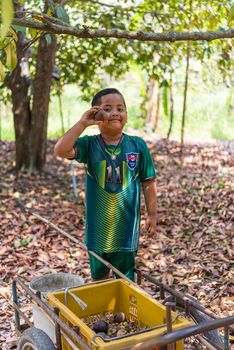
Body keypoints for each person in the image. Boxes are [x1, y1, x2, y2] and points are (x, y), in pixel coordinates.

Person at [54, 88, 157, 281]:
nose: (115, 113)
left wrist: (152, 214)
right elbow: (60, 150)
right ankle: (103, 310)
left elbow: (148, 182)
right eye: (107, 109)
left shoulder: (137, 145)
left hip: (126, 233)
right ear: (96, 114)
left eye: (120, 108)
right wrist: (82, 124)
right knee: (99, 279)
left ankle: (124, 311)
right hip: (97, 233)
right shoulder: (88, 145)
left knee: (126, 280)